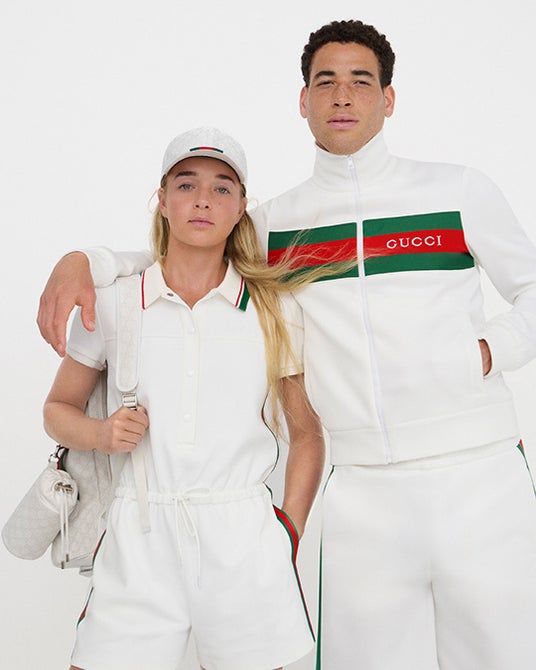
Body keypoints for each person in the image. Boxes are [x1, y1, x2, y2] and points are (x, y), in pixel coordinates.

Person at [37, 20, 536, 670]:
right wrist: (88, 260)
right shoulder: (277, 224)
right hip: (361, 492)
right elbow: (192, 249)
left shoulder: (456, 191)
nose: (342, 96)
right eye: (325, 81)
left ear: (388, 98)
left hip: (480, 473)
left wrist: (486, 352)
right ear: (303, 100)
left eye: (361, 81)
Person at [42, 127, 325, 670]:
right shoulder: (115, 303)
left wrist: (287, 531)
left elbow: (308, 434)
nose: (203, 200)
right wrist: (101, 433)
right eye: (187, 184)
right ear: (163, 200)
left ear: (242, 208)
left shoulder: (273, 309)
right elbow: (57, 410)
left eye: (222, 188)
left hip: (244, 537)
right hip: (140, 532)